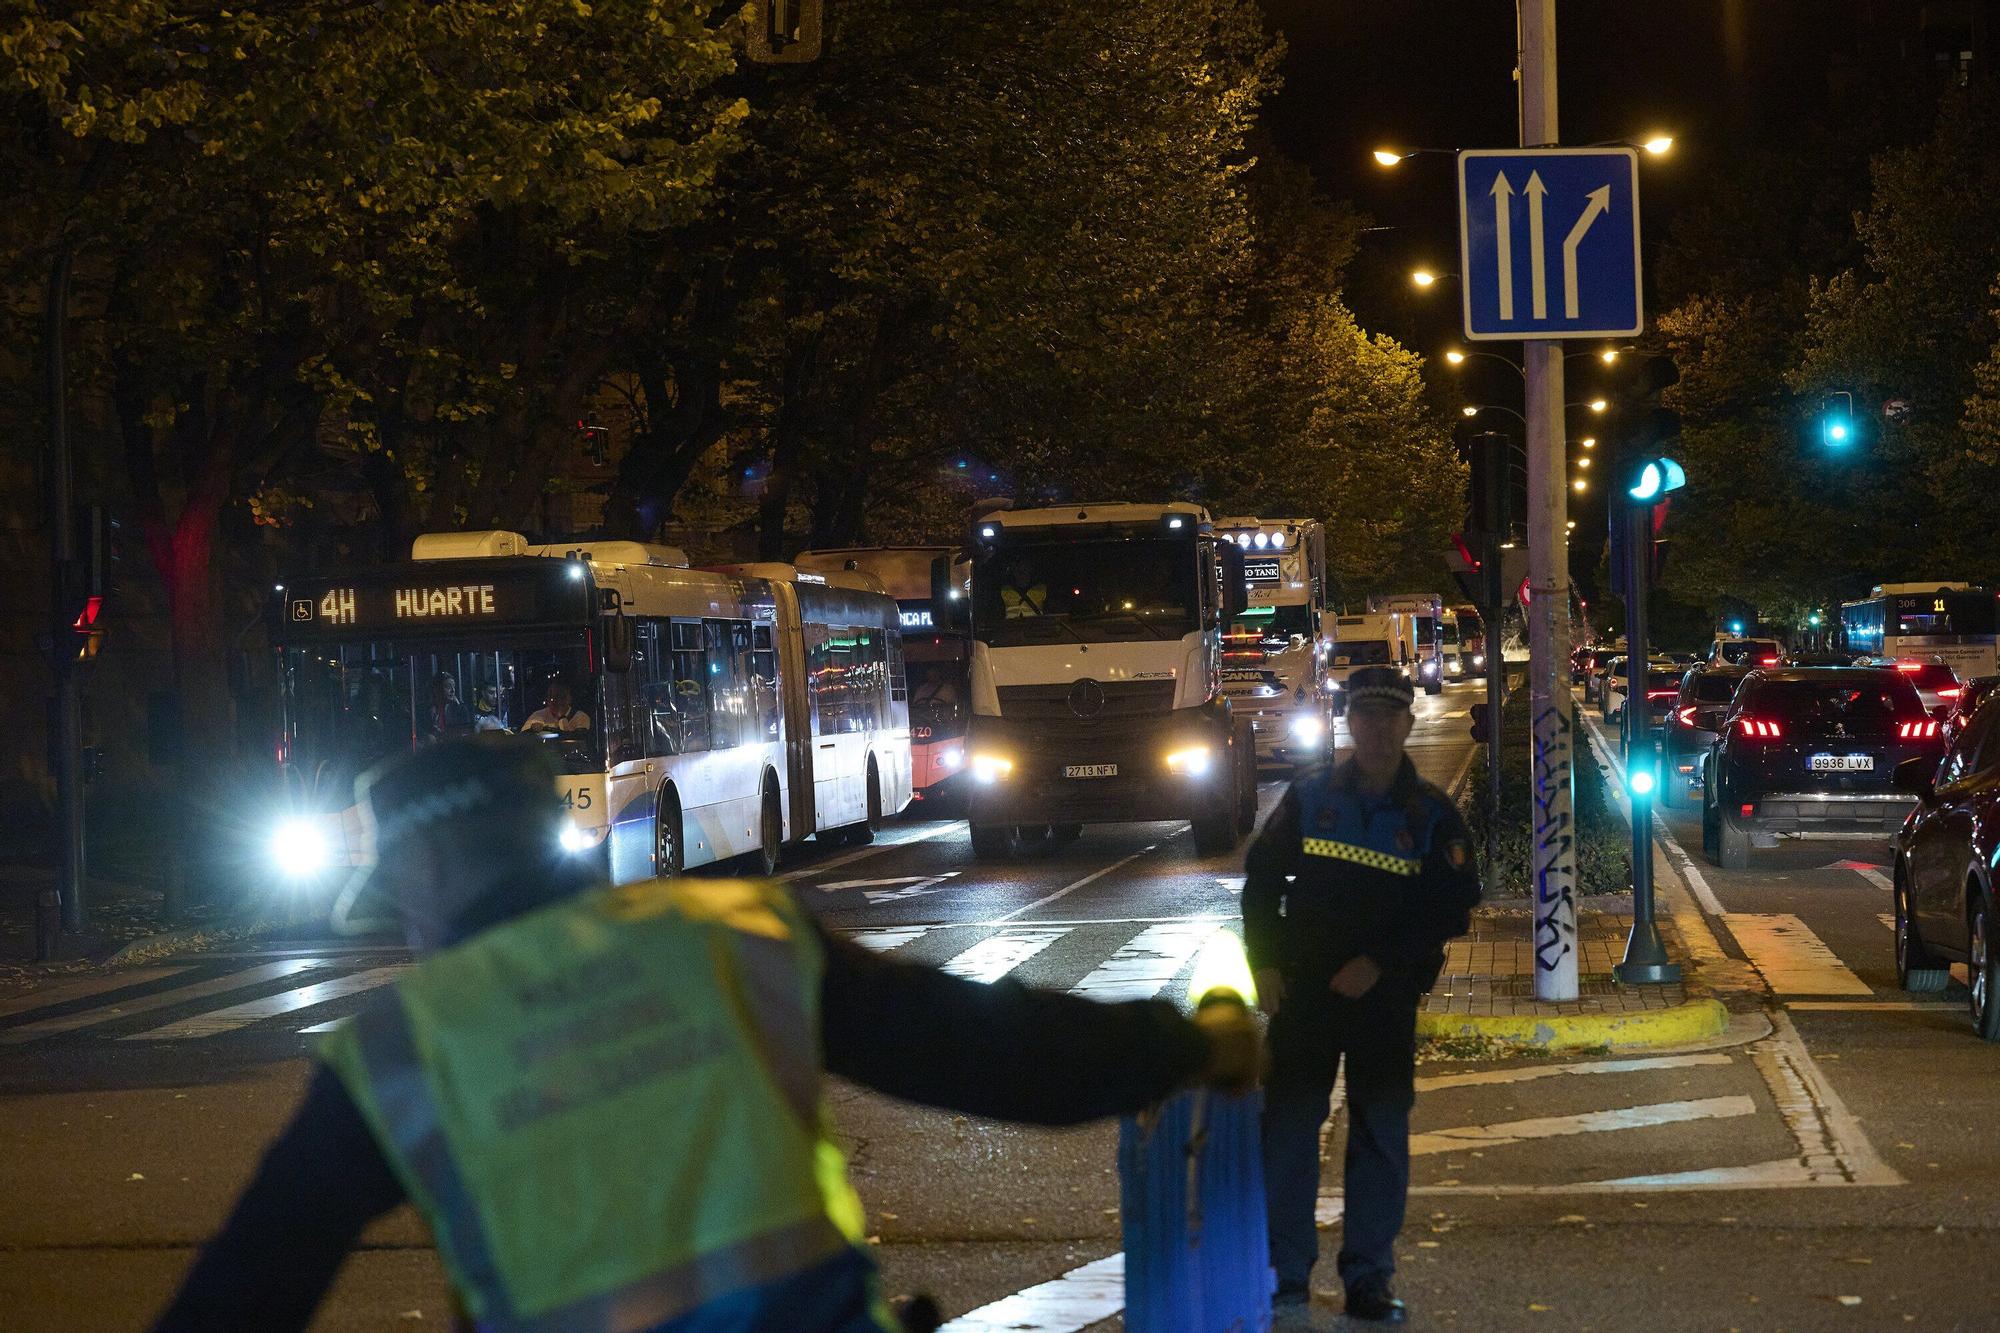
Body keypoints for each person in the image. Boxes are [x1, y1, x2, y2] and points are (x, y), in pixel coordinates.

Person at [155, 736, 1260, 1332]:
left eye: (394, 888)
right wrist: (1190, 1043)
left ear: (426, 867)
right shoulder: (728, 937)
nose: (401, 920)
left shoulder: (404, 1043)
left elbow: (250, 1282)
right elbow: (984, 1048)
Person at [1242, 665, 1482, 1326]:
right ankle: (1286, 1273)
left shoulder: (1431, 814)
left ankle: (1369, 1277)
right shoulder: (1312, 796)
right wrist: (1263, 962)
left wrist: (1382, 961)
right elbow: (1261, 878)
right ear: (1350, 722)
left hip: (1382, 999)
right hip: (1304, 993)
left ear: (1407, 723)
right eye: (1365, 716)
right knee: (1288, 1128)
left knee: (1379, 1130)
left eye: (1389, 716)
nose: (1377, 728)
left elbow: (1453, 908)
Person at [522, 677, 591, 732]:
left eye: (560, 696)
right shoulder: (537, 716)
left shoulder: (580, 717)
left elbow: (578, 740)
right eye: (551, 696)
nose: (555, 701)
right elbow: (523, 737)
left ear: (569, 698)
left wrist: (561, 717)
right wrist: (532, 730)